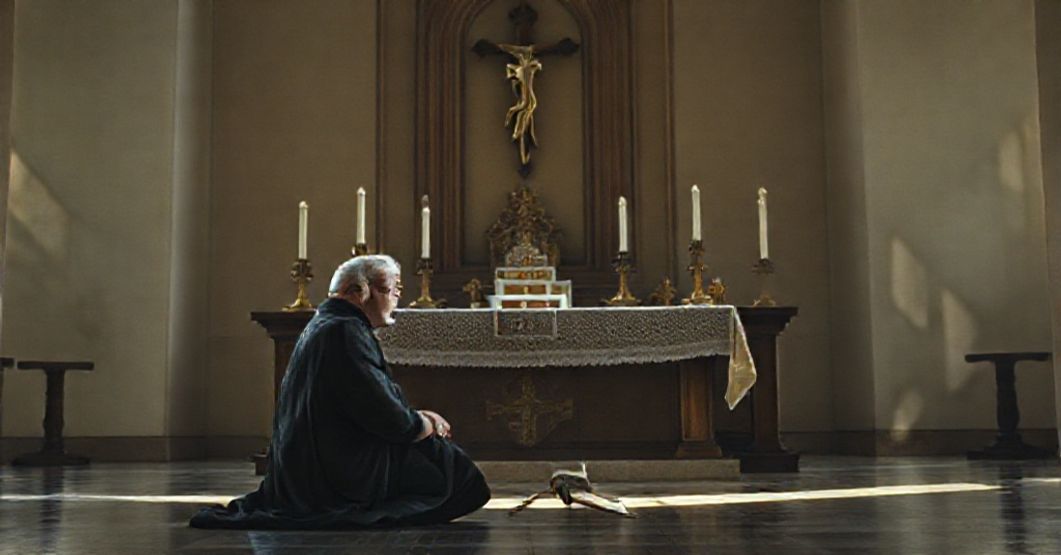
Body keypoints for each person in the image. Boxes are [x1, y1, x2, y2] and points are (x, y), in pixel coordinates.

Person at [190, 255, 491, 529]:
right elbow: (385, 416)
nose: (398, 296)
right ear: (358, 292)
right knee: (455, 472)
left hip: (317, 463)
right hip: (333, 476)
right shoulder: (345, 330)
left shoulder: (331, 323)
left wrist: (416, 417)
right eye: (391, 288)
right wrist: (424, 425)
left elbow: (370, 398)